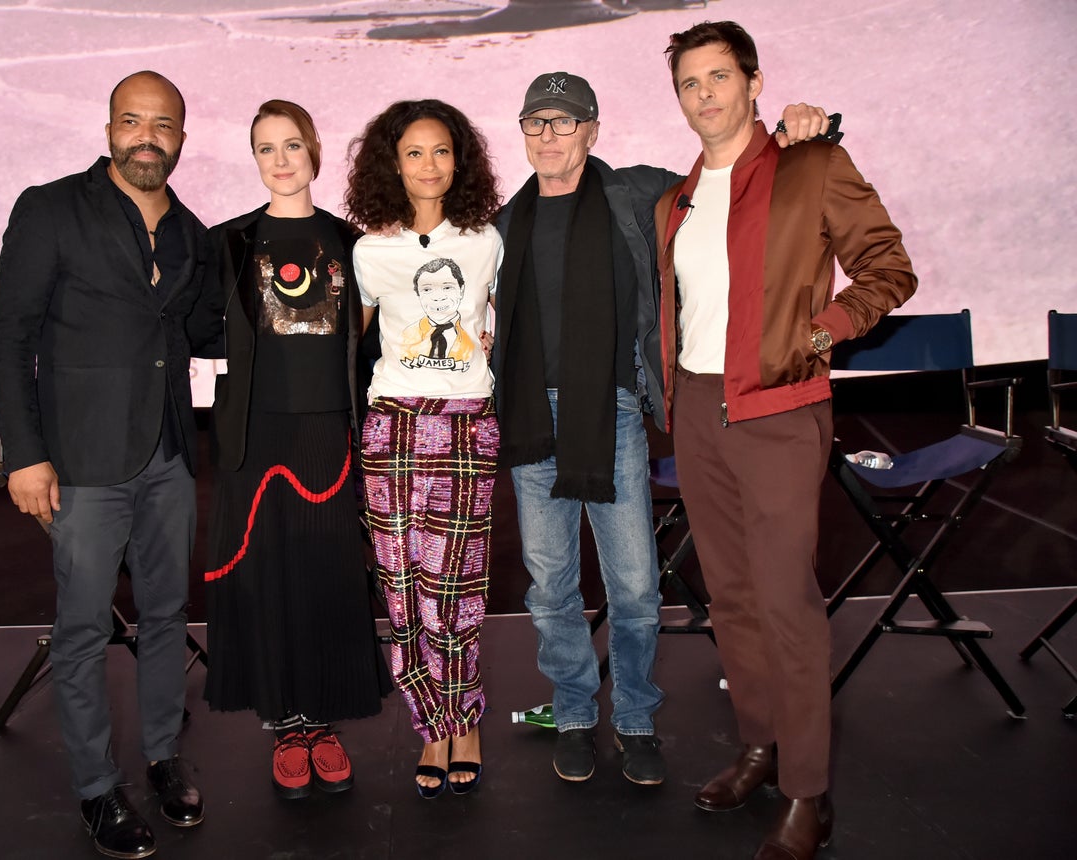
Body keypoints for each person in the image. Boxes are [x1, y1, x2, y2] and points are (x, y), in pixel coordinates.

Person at [494, 70, 831, 786]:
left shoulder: (639, 195)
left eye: (564, 121)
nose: (548, 135)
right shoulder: (501, 224)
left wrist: (803, 132)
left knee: (637, 587)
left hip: (612, 411)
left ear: (593, 130)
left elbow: (733, 172)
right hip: (529, 419)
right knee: (550, 585)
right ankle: (577, 711)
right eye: (535, 122)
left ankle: (638, 716)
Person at [656, 21, 916, 860]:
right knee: (729, 599)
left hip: (777, 411)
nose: (705, 95)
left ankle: (809, 792)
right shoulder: (677, 198)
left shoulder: (811, 165)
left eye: (719, 77)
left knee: (786, 603)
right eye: (690, 83)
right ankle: (760, 748)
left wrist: (826, 328)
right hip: (697, 411)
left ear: (755, 81)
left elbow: (888, 266)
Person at [0, 70, 206, 859]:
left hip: (168, 454)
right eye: (132, 121)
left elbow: (194, 332)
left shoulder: (190, 229)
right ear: (110, 127)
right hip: (77, 462)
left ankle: (160, 756)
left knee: (168, 617)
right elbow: (9, 336)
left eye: (164, 125)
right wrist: (25, 455)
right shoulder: (49, 208)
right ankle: (95, 789)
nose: (147, 136)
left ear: (182, 135)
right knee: (81, 630)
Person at [186, 99, 391, 802]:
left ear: (315, 151)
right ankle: (285, 725)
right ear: (256, 159)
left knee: (327, 574)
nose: (280, 159)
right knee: (267, 576)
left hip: (325, 428)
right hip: (253, 431)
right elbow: (191, 325)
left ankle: (323, 721)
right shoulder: (228, 242)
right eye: (266, 147)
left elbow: (370, 341)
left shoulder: (349, 241)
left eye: (291, 145)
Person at [344, 99, 502, 799]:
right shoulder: (370, 250)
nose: (429, 165)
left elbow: (498, 320)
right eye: (414, 152)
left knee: (457, 592)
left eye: (442, 150)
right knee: (405, 595)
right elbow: (350, 339)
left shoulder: (486, 241)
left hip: (466, 429)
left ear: (459, 160)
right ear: (392, 163)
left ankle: (465, 719)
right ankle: (431, 727)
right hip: (393, 432)